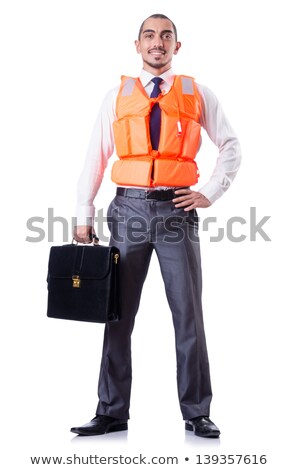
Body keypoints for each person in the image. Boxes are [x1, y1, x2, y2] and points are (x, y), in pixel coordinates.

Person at [71, 13, 241, 438]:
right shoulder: (115, 97)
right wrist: (83, 212)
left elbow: (232, 146)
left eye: (166, 36)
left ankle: (196, 411)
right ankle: (111, 411)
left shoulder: (198, 94)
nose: (157, 42)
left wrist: (209, 192)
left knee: (188, 314)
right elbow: (97, 154)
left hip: (175, 213)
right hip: (126, 211)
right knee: (116, 314)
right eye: (150, 35)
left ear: (176, 47)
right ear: (138, 45)